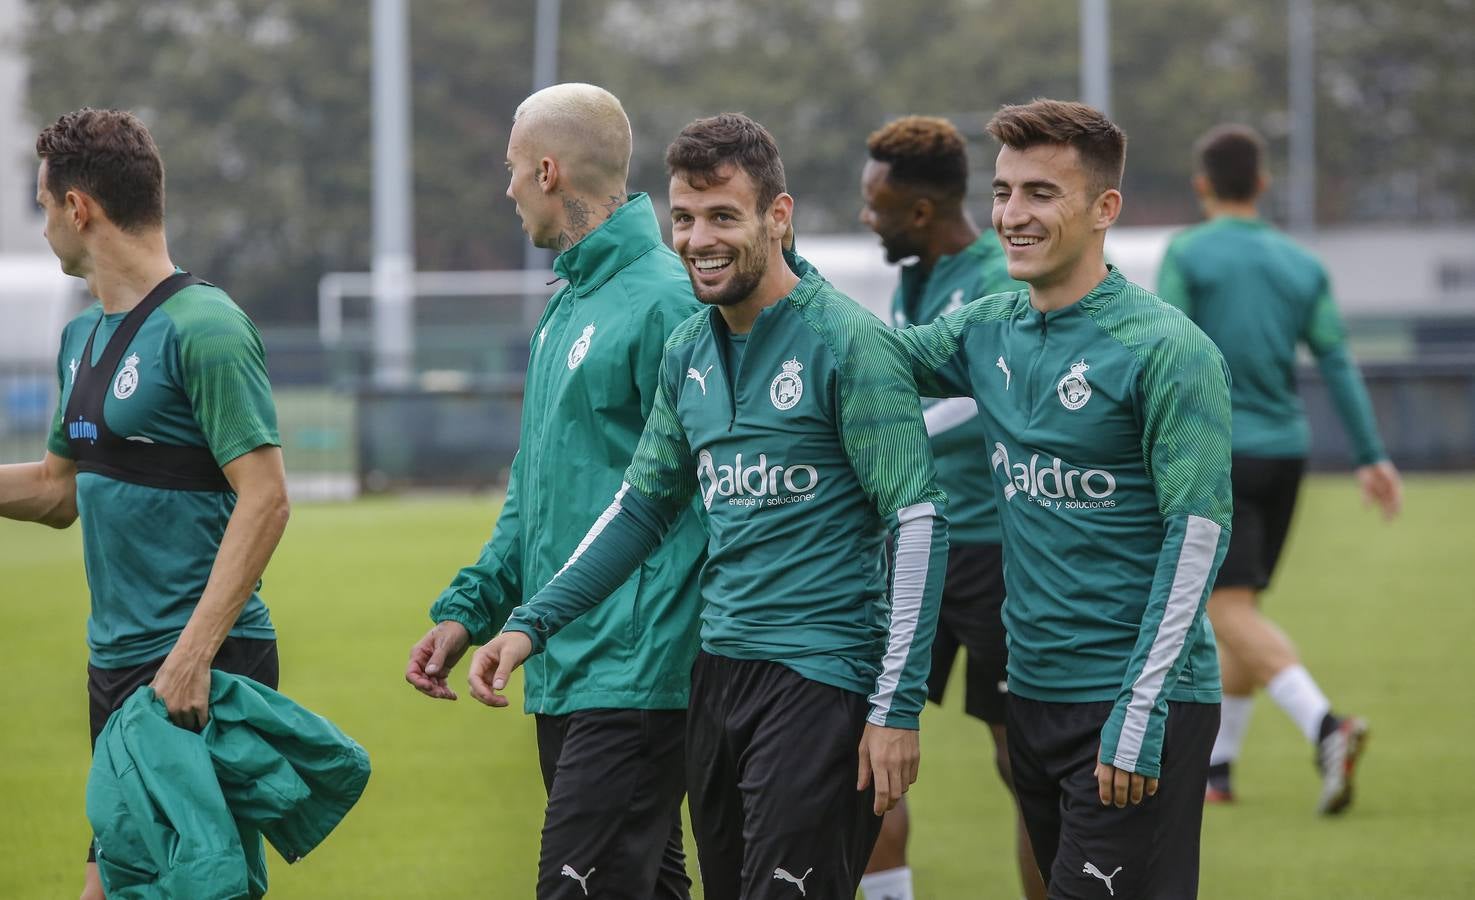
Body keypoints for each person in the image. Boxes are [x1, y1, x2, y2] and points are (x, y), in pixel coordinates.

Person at [468, 112, 949, 900]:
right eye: (684, 219)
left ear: (777, 216)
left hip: (822, 678)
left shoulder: (846, 343)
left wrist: (896, 707)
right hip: (718, 677)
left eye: (723, 216)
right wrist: (529, 624)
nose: (698, 240)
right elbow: (640, 509)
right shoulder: (689, 349)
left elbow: (917, 523)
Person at [895, 99, 1233, 899]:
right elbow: (870, 362)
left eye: (1040, 194)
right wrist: (772, 267)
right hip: (1033, 695)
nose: (1011, 214)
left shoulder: (1166, 350)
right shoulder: (988, 327)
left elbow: (1196, 539)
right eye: (1003, 192)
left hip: (1135, 700)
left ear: (1103, 208)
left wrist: (1140, 710)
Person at [401, 83, 706, 899]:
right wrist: (473, 606)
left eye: (510, 172)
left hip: (638, 664)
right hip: (563, 660)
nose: (505, 191)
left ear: (547, 170)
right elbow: (533, 490)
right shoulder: (567, 305)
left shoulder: (670, 301)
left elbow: (695, 496)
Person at [0, 108, 290, 900]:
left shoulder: (206, 327)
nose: (43, 223)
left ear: (78, 208)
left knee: (187, 889)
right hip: (119, 669)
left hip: (197, 665)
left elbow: (265, 500)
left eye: (41, 203)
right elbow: (59, 492)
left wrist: (192, 656)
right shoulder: (81, 340)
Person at [1157, 123, 1400, 814]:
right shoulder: (1299, 263)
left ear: (1201, 184)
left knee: (1222, 607)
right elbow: (1334, 361)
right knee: (1239, 609)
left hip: (1215, 450)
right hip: (1285, 451)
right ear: (1262, 184)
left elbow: (1167, 345)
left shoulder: (1188, 252)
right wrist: (1369, 455)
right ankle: (1218, 771)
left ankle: (1326, 725)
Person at [856, 115, 1043, 900]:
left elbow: (984, 398)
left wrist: (871, 439)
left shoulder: (1001, 279)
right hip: (912, 545)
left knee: (1024, 766)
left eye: (877, 204)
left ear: (921, 211)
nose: (868, 218)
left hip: (997, 553)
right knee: (860, 751)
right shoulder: (912, 276)